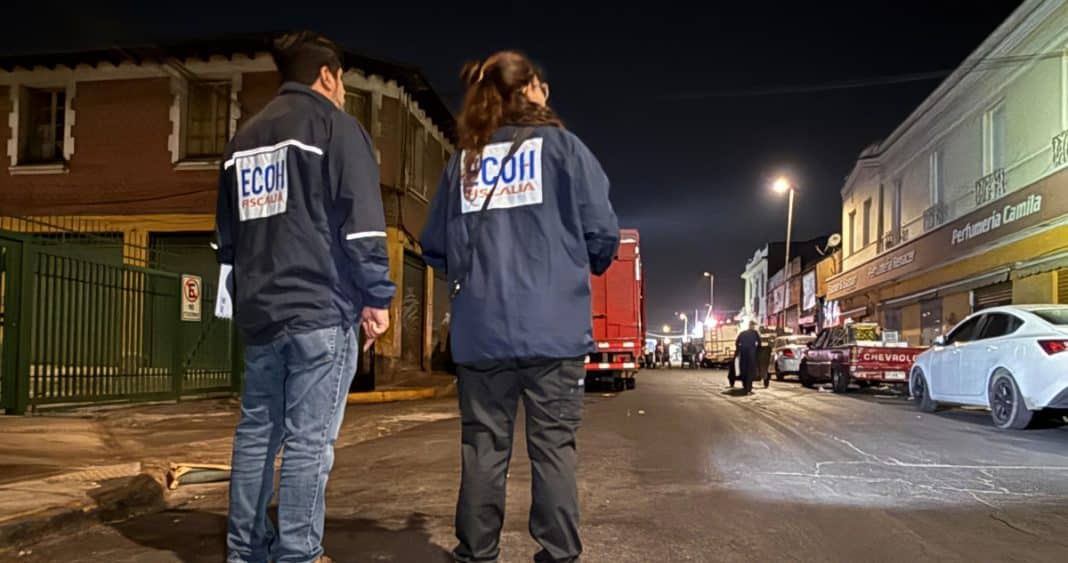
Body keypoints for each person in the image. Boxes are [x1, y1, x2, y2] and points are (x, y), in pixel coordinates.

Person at [421, 51, 619, 563]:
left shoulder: (463, 162)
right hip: (553, 330)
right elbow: (603, 236)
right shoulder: (566, 151)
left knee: (483, 448)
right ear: (531, 89)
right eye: (542, 85)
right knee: (553, 448)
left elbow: (435, 246)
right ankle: (557, 554)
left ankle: (476, 553)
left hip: (482, 334)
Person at [215, 31, 395, 563]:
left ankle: (244, 551)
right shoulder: (336, 127)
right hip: (319, 308)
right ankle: (299, 551)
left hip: (261, 312)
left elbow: (228, 238)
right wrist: (376, 296)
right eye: (343, 82)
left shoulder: (243, 138)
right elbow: (361, 226)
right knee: (309, 441)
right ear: (328, 75)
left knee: (256, 436)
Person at [735, 321, 762, 393]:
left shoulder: (742, 333)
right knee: (751, 370)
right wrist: (758, 350)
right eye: (753, 325)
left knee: (743, 369)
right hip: (751, 354)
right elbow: (759, 343)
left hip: (743, 354)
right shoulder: (755, 333)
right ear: (751, 326)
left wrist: (739, 349)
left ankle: (745, 385)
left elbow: (737, 342)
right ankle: (749, 386)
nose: (754, 327)